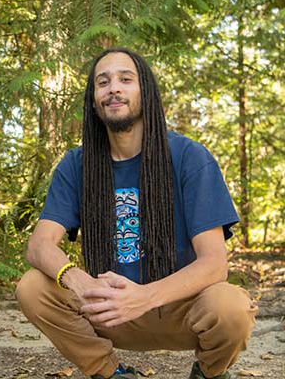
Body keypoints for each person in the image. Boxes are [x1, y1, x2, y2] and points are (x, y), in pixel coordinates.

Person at [15, 48, 257, 379]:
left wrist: (144, 297)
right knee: (32, 287)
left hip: (181, 309)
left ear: (145, 91)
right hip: (110, 311)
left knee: (231, 308)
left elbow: (214, 264)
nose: (114, 88)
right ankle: (110, 373)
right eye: (103, 82)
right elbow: (39, 245)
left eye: (126, 79)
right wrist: (79, 281)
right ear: (94, 101)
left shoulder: (189, 157)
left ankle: (209, 372)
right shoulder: (77, 165)